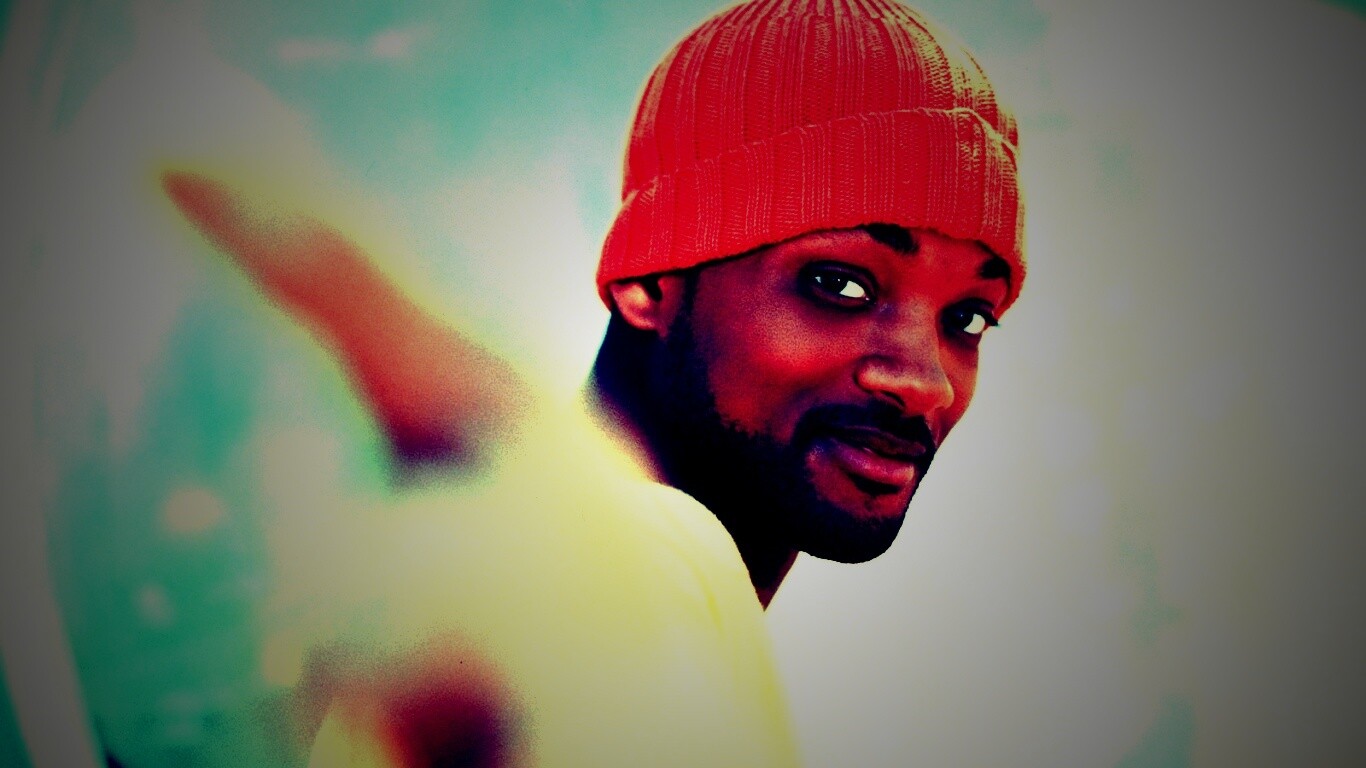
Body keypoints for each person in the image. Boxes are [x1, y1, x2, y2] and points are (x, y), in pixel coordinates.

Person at [159, 0, 1024, 764]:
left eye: (968, 318)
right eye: (842, 283)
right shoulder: (646, 557)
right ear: (650, 283)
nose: (927, 382)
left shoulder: (626, 599)